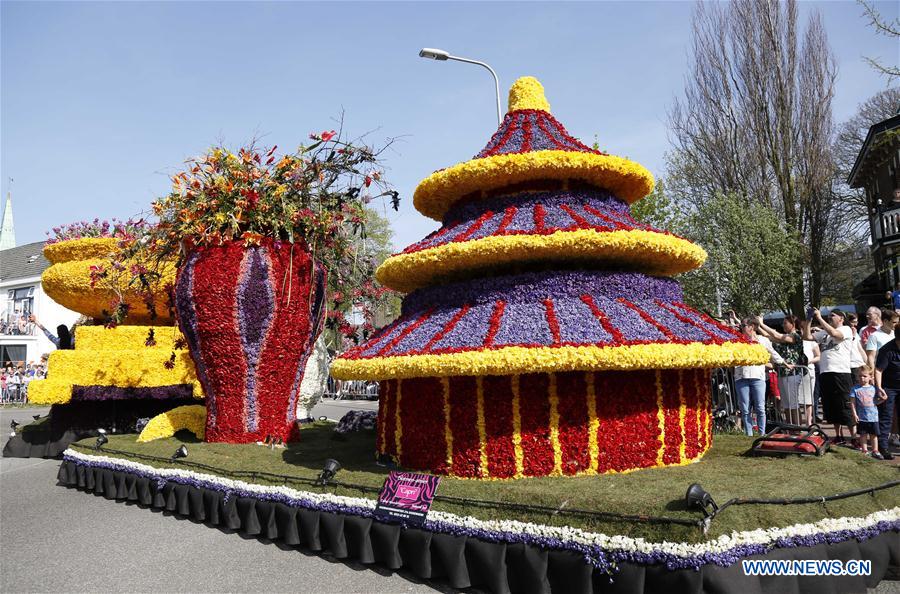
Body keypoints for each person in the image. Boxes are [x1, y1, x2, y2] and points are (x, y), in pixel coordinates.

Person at [804, 308, 856, 445]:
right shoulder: (824, 333)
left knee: (845, 405)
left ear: (841, 318)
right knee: (831, 406)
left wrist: (819, 318)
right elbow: (807, 337)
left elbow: (835, 334)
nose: (829, 317)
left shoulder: (846, 329)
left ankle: (854, 437)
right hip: (826, 373)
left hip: (841, 372)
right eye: (828, 316)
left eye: (832, 315)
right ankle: (839, 436)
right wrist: (809, 320)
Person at [733, 317, 785, 436]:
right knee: (745, 409)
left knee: (760, 408)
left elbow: (773, 352)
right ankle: (749, 434)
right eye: (741, 325)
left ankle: (762, 434)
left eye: (743, 325)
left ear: (751, 326)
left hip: (758, 377)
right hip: (741, 377)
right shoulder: (738, 341)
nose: (741, 327)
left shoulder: (763, 340)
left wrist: (783, 363)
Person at [756, 315, 805, 425]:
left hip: (793, 373)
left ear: (793, 324)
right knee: (786, 404)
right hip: (782, 373)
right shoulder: (784, 337)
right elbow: (768, 336)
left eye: (785, 323)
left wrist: (762, 324)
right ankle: (789, 427)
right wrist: (757, 326)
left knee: (793, 403)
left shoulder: (796, 336)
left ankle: (797, 428)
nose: (783, 325)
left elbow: (776, 335)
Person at [873, 329, 900, 460]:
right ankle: (883, 447)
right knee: (886, 417)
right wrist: (879, 387)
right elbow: (878, 370)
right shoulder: (887, 349)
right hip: (889, 388)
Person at [850, 365, 881, 457]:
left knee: (874, 434)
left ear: (870, 377)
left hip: (873, 417)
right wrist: (854, 415)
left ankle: (875, 450)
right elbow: (852, 403)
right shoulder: (855, 389)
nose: (862, 378)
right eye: (860, 376)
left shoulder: (874, 389)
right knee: (863, 435)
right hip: (862, 417)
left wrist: (883, 399)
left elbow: (876, 402)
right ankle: (864, 450)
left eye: (864, 376)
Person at [801, 336, 820, 425]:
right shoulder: (795, 339)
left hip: (809, 371)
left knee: (808, 398)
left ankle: (809, 422)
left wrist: (809, 361)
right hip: (797, 372)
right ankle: (798, 421)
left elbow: (818, 356)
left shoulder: (812, 341)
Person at [846, 313, 868, 385]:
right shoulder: (845, 331)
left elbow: (860, 348)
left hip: (859, 364)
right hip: (851, 365)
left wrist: (866, 362)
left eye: (856, 322)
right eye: (853, 322)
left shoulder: (856, 332)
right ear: (847, 322)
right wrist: (853, 336)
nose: (855, 324)